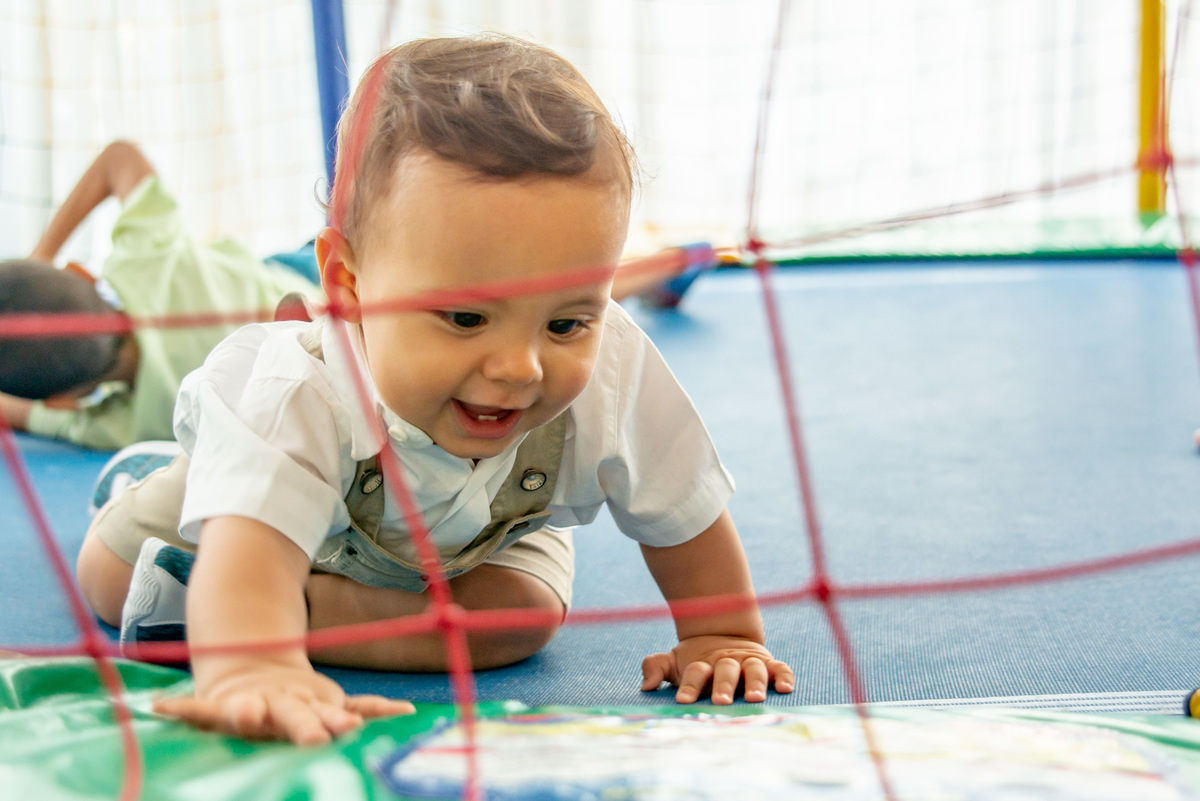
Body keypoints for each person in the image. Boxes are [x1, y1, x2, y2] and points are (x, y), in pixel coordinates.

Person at [75, 34, 793, 746]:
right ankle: (176, 514)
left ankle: (253, 608)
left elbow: (684, 505)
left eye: (566, 321)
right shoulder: (293, 394)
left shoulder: (610, 373)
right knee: (108, 578)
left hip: (471, 546)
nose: (520, 366)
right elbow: (255, 550)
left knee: (523, 619)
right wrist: (256, 668)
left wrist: (721, 631)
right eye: (465, 317)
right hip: (271, 515)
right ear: (349, 289)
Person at [0, 141, 321, 450]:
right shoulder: (145, 255)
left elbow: (25, 415)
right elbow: (118, 156)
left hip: (308, 370)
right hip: (307, 278)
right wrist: (40, 256)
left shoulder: (143, 421)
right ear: (81, 273)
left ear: (62, 400)